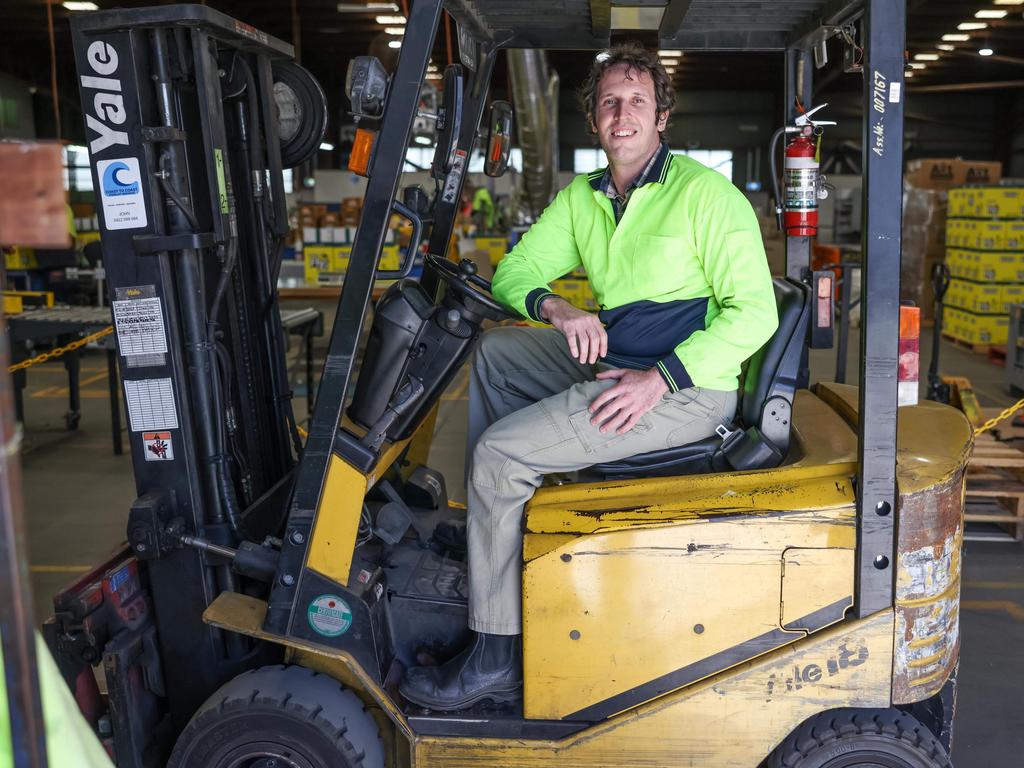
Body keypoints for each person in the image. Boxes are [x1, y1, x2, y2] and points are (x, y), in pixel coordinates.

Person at [400, 43, 778, 711]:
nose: (621, 113)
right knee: (496, 355)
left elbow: (755, 315)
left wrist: (658, 381)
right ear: (594, 119)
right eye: (609, 102)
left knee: (498, 452)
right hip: (623, 359)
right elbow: (516, 273)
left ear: (662, 115)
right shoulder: (586, 197)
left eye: (637, 101)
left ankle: (495, 654)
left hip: (691, 388)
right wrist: (557, 306)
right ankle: (502, 528)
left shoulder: (707, 197)